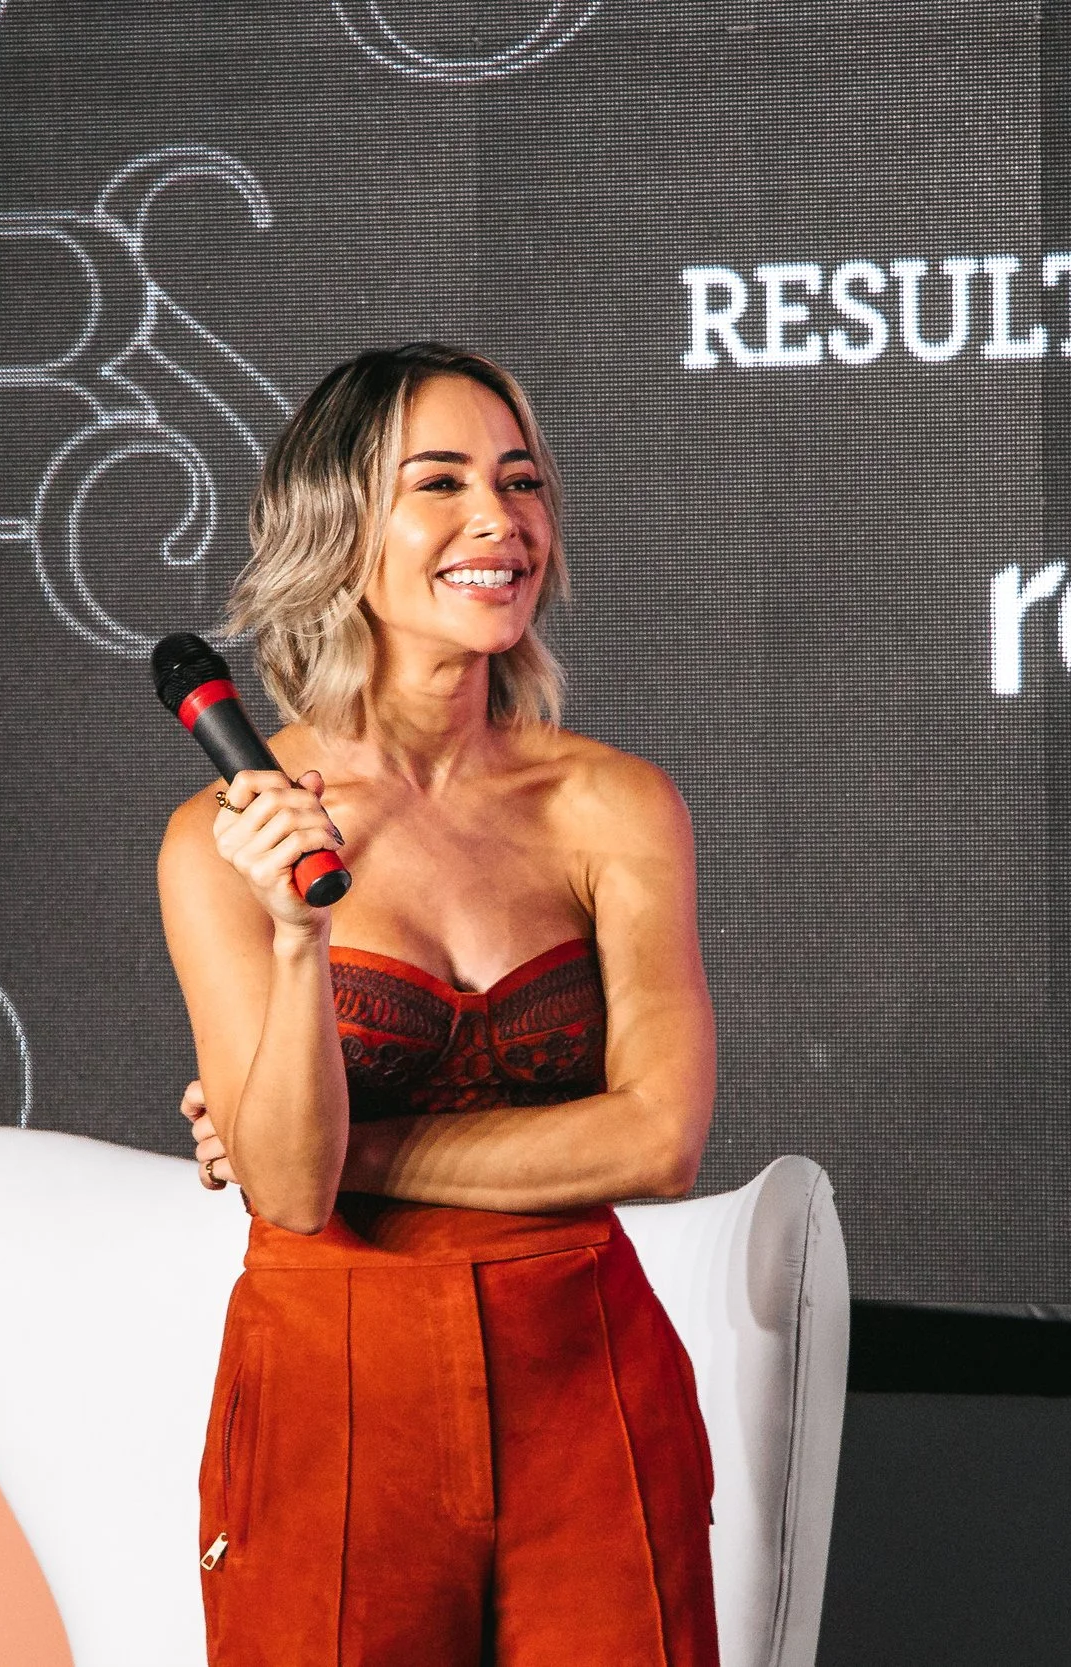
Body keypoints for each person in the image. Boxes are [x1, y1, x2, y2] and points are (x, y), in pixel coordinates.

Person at [157, 343, 720, 1667]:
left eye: (520, 482)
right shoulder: (219, 839)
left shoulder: (614, 804)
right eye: (442, 482)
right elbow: (291, 1202)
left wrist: (348, 1148)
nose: (498, 520)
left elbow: (659, 1140)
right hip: (329, 1397)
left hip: (591, 1385)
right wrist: (299, 936)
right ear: (338, 527)